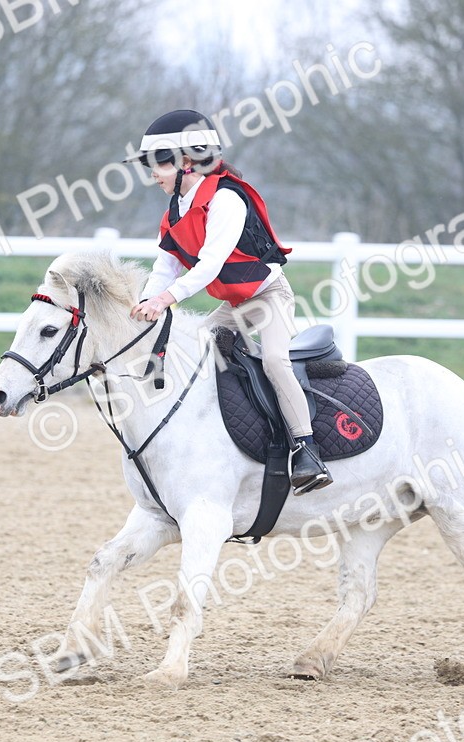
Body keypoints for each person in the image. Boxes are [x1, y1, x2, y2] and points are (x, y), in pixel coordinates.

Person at [124, 109, 332, 494]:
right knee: (189, 354)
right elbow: (164, 267)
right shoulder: (173, 212)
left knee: (274, 361)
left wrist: (166, 300)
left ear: (188, 163)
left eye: (160, 163)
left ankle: (306, 449)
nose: (152, 173)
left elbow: (210, 265)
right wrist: (145, 303)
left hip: (267, 296)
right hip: (235, 305)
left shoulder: (226, 200)